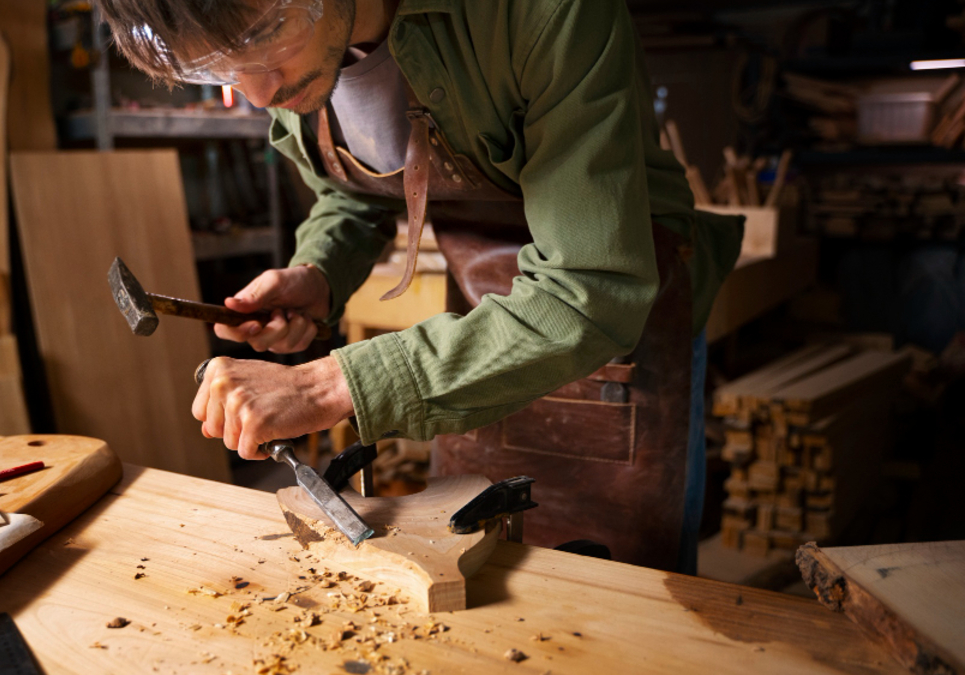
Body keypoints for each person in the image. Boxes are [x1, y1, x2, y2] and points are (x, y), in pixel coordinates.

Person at [97, 0, 744, 573]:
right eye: (218, 69)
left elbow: (592, 288)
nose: (258, 93)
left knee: (615, 607)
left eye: (266, 37)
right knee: (474, 576)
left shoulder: (543, 14)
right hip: (475, 331)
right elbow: (352, 195)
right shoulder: (297, 64)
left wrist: (328, 383)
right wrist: (320, 273)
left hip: (611, 342)